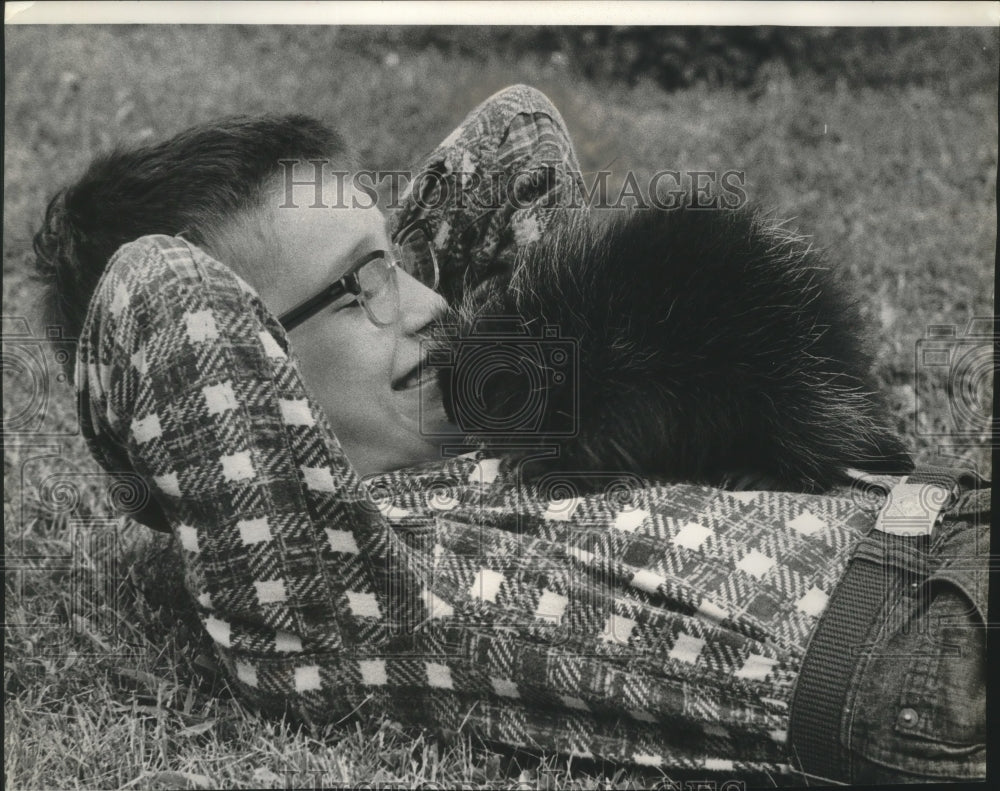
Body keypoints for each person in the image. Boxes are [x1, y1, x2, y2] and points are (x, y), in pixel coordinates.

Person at [34, 85, 987, 785]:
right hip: (931, 662)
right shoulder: (328, 592)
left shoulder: (506, 408)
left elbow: (517, 134)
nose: (429, 303)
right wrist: (148, 458)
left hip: (953, 520)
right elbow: (154, 289)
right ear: (242, 372)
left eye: (401, 262)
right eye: (360, 286)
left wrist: (372, 268)